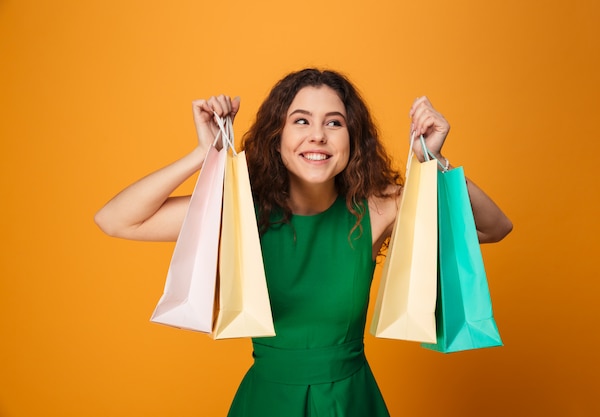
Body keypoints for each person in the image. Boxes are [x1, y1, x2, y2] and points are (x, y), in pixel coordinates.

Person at [95, 68, 512, 416]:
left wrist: (433, 162)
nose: (318, 135)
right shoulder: (242, 212)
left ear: (353, 139)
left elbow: (492, 228)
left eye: (334, 122)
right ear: (277, 138)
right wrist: (205, 154)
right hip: (267, 403)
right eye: (301, 121)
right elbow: (116, 220)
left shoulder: (380, 208)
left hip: (352, 402)